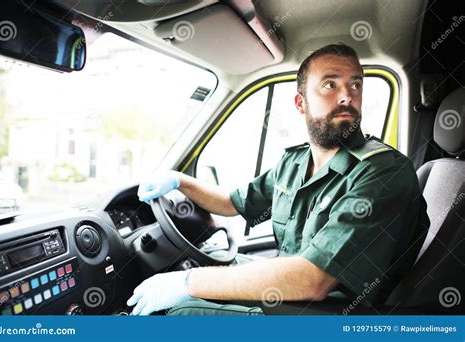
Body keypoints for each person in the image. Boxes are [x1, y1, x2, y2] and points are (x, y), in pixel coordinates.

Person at [126, 43, 429, 315]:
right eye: (329, 85)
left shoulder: (384, 171)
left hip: (332, 312)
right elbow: (233, 203)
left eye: (355, 85)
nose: (347, 96)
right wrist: (179, 181)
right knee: (215, 259)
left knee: (183, 312)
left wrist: (188, 282)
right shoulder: (294, 162)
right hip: (291, 292)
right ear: (301, 104)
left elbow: (314, 279)